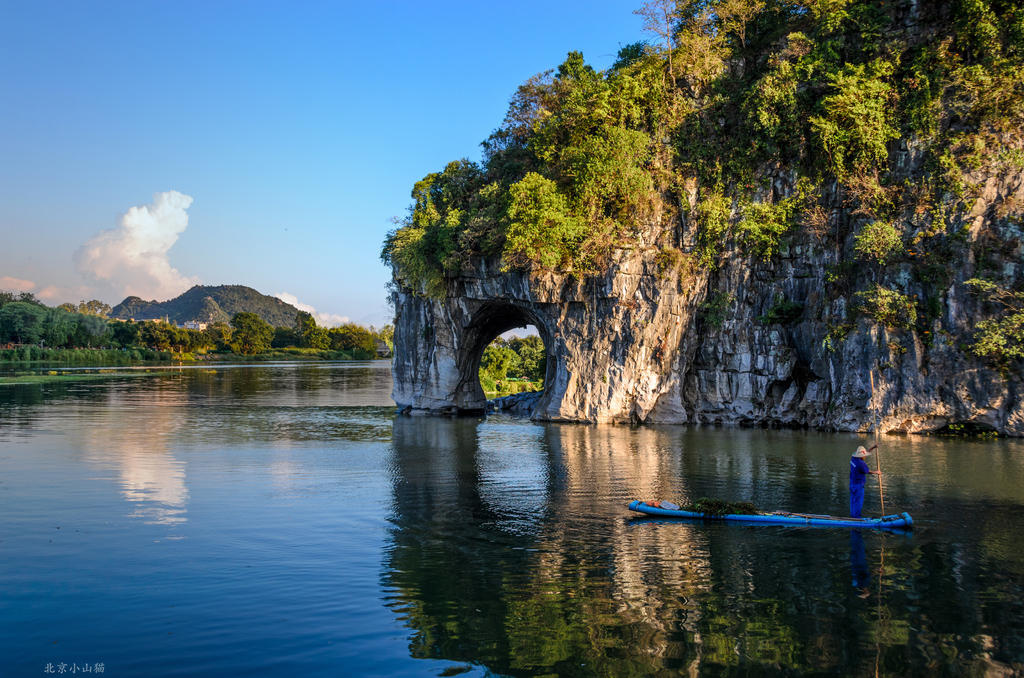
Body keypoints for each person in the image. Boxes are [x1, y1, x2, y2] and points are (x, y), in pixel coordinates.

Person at [849, 444, 881, 518]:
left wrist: (873, 447)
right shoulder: (861, 464)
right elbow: (867, 471)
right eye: (864, 455)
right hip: (858, 485)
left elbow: (865, 452)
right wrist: (876, 472)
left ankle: (853, 516)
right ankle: (856, 518)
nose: (865, 456)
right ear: (861, 456)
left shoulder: (853, 458)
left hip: (852, 483)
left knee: (853, 501)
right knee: (858, 502)